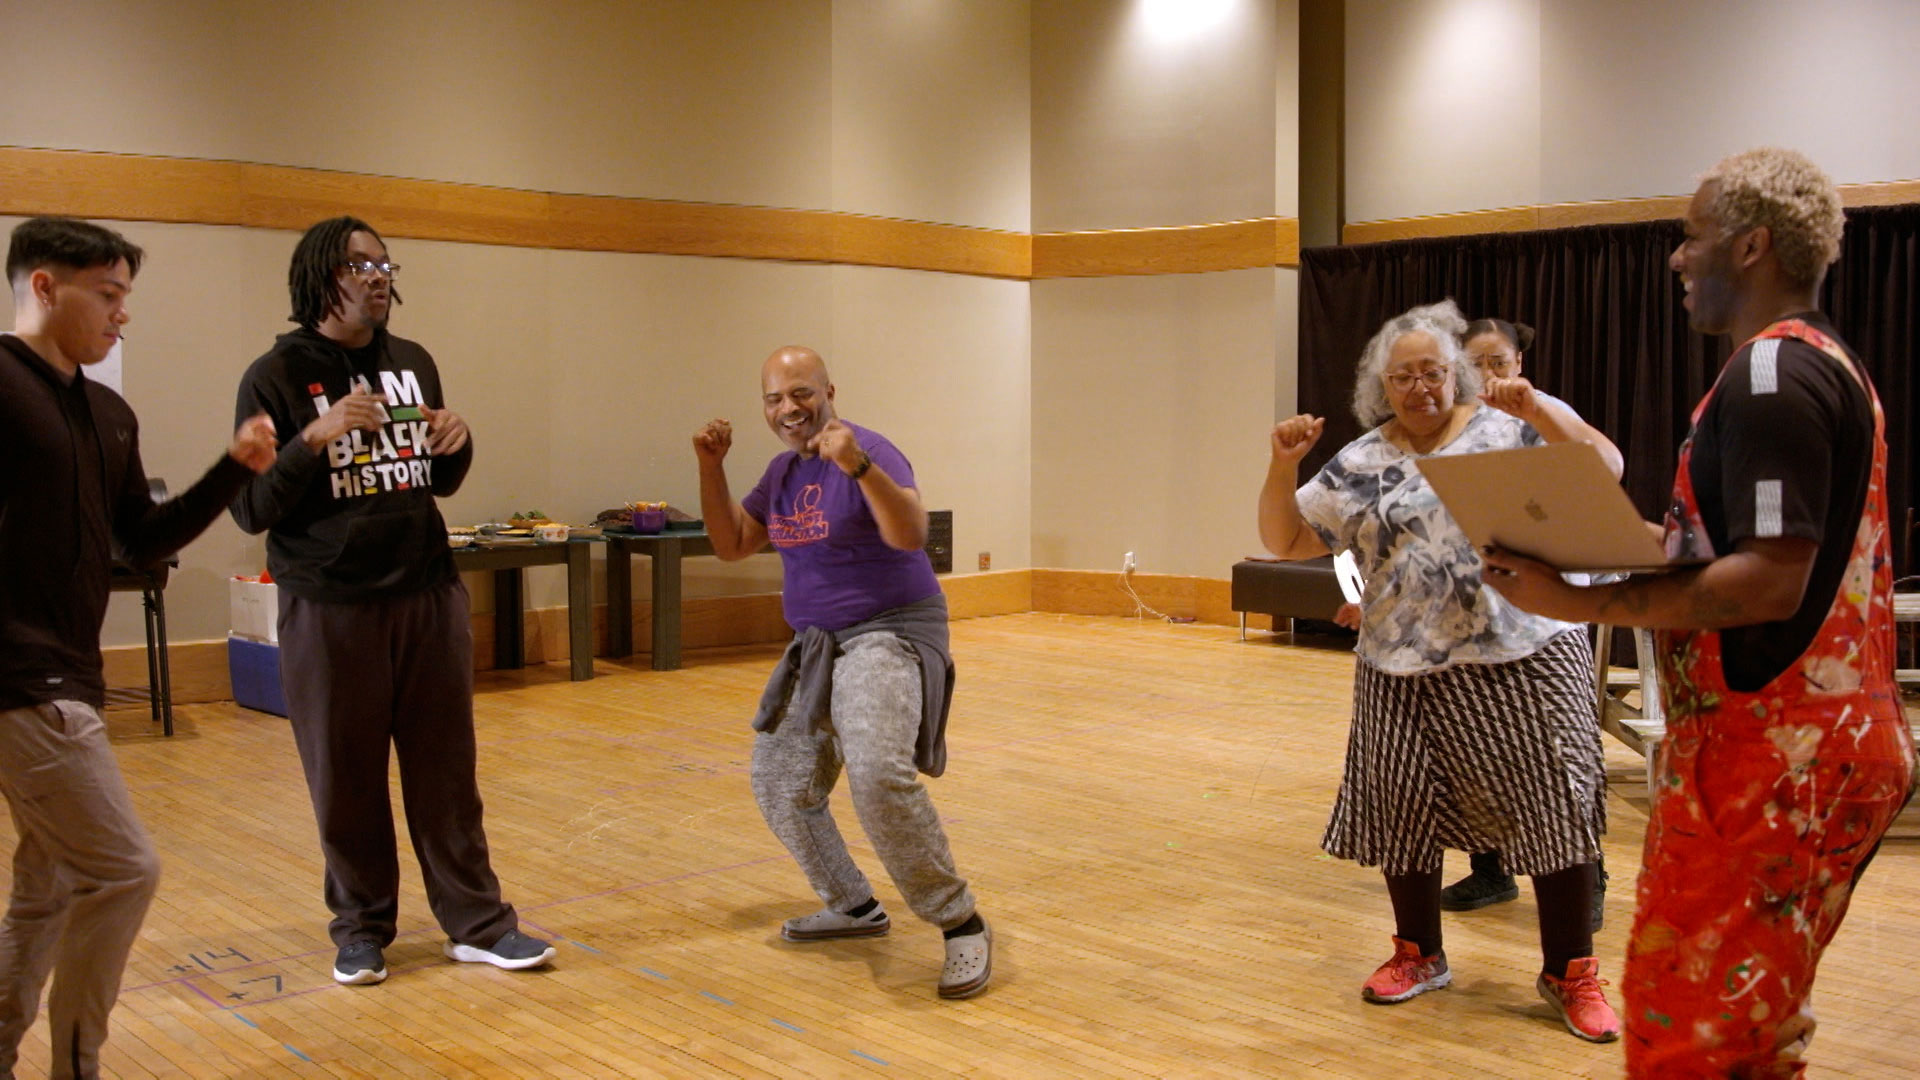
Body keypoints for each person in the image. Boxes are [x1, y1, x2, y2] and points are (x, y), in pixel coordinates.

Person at [1484, 147, 1914, 1078]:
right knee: (1742, 1032)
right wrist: (1587, 540)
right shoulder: (1802, 368)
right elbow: (1738, 552)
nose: (1678, 259)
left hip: (1779, 754)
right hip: (1788, 748)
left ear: (1752, 245)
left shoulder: (1772, 378)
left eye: (1692, 237)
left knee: (1690, 1035)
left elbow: (1767, 581)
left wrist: (1572, 598)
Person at [1257, 300, 1619, 1042]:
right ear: (1380, 388)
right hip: (1401, 665)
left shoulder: (1507, 429)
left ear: (1455, 374)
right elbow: (1287, 538)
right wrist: (1280, 466)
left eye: (1432, 372)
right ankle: (1419, 953)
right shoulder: (1362, 461)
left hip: (1524, 654)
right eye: (1403, 377)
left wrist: (1541, 407)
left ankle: (1569, 972)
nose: (1419, 387)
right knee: (1402, 811)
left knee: (1556, 809)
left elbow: (1605, 469)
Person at [230, 216, 553, 986]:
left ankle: (477, 923)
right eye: (360, 264)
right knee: (345, 777)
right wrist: (316, 435)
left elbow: (436, 481)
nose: (378, 276)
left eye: (384, 263)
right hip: (330, 602)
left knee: (447, 772)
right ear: (320, 277)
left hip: (427, 591)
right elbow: (251, 508)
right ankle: (361, 928)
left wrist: (458, 438)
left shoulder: (412, 362)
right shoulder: (273, 376)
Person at [1, 216, 276, 1079]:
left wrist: (235, 468)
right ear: (45, 286)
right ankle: (76, 1064)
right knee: (123, 872)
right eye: (108, 295)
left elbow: (143, 539)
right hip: (20, 676)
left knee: (47, 890)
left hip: (71, 672)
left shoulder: (109, 412)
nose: (123, 315)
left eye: (128, 297)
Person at [693, 345, 991, 999]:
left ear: (830, 390)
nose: (788, 409)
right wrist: (710, 468)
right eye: (774, 398)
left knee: (879, 778)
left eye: (801, 393)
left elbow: (911, 533)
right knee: (778, 781)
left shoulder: (870, 448)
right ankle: (854, 906)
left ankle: (960, 922)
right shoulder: (778, 474)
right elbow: (732, 544)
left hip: (890, 632)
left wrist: (857, 466)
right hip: (820, 644)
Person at [1441, 318, 1618, 926]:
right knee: (1474, 748)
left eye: (1498, 362)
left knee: (1562, 752)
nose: (1488, 375)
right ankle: (1490, 869)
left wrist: (1536, 407)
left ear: (1519, 363)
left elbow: (1609, 466)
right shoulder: (1450, 425)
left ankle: (1586, 876)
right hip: (1473, 614)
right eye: (1475, 364)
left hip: (1547, 613)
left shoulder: (1544, 413)